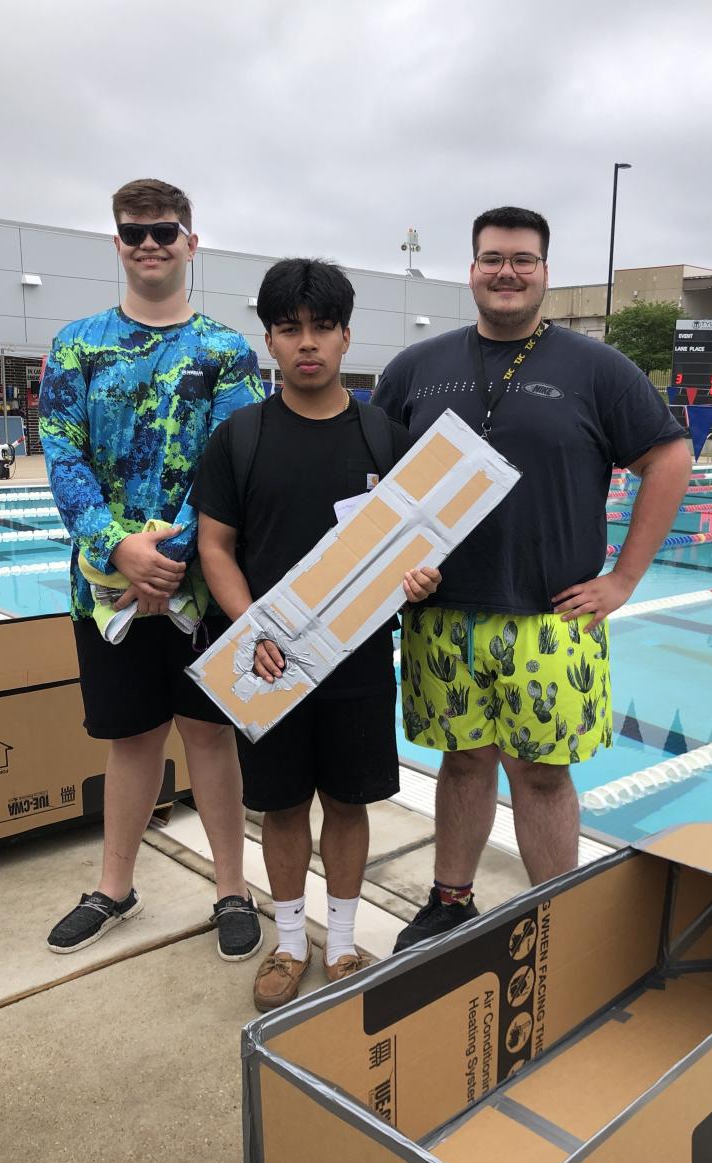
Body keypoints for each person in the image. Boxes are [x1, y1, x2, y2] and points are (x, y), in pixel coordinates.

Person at [372, 206, 692, 951]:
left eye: (522, 259)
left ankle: (557, 913)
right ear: (472, 269)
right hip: (442, 612)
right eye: (492, 259)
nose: (506, 272)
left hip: (552, 615)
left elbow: (668, 459)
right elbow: (373, 475)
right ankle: (450, 900)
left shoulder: (595, 367)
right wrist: (386, 570)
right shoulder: (416, 368)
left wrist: (624, 579)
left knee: (542, 776)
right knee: (462, 761)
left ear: (545, 272)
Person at [190, 258, 440, 1010]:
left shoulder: (382, 437)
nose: (307, 343)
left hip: (358, 661)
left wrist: (417, 579)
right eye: (289, 329)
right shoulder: (239, 438)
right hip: (271, 659)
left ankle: (341, 940)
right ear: (268, 341)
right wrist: (253, 623)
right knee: (286, 805)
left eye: (321, 328)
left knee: (349, 800)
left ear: (345, 336)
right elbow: (214, 546)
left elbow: (414, 548)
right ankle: (290, 941)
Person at [39, 178, 265, 961]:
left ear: (190, 243)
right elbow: (63, 455)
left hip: (201, 587)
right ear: (117, 244)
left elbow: (238, 467)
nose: (149, 245)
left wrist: (166, 557)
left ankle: (232, 890)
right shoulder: (76, 345)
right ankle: (114, 887)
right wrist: (117, 548)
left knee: (209, 736)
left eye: (165, 232)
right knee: (131, 739)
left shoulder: (226, 351)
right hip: (108, 591)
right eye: (134, 233)